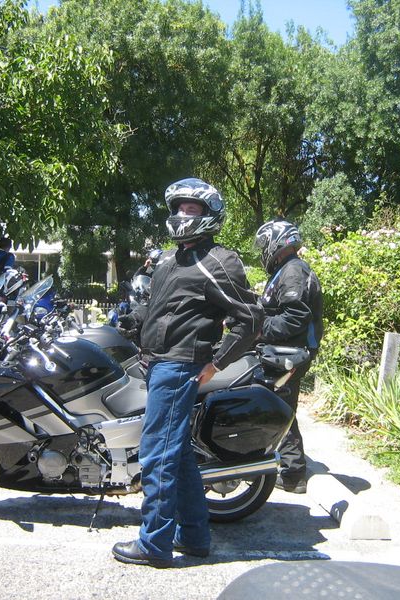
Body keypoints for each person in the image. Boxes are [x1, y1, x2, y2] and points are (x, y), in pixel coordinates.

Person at [112, 178, 263, 568]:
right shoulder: (169, 259)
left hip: (179, 366)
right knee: (177, 456)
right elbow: (161, 308)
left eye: (191, 209)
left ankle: (154, 544)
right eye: (178, 207)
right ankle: (194, 536)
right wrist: (133, 321)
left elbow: (250, 319)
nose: (182, 214)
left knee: (157, 454)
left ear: (209, 215)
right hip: (156, 362)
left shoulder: (219, 260)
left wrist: (217, 362)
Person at [254, 220, 323, 494]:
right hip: (283, 350)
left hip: (290, 353)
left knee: (280, 407)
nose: (263, 250)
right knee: (279, 404)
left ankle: (294, 475)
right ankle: (289, 465)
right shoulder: (285, 270)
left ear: (278, 242)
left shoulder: (294, 270)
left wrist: (259, 329)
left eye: (264, 243)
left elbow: (294, 317)